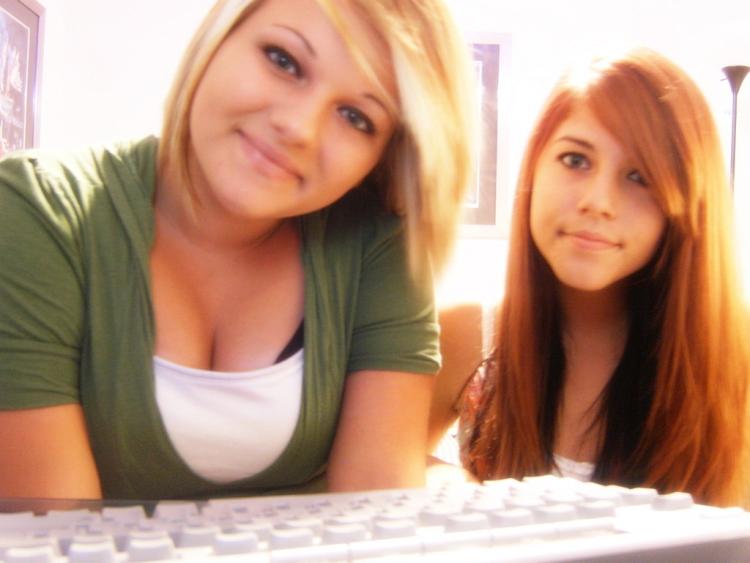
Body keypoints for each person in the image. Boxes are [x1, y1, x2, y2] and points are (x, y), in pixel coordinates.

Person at [0, 0, 475, 500]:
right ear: (220, 37)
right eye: (283, 60)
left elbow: (378, 508)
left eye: (356, 116)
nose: (300, 128)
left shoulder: (379, 247)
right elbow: (56, 528)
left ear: (382, 159)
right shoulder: (36, 209)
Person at [433, 47, 750, 507]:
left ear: (685, 203)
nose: (598, 202)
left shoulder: (735, 356)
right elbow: (383, 470)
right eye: (575, 160)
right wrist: (465, 491)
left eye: (639, 176)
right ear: (534, 166)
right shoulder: (467, 335)